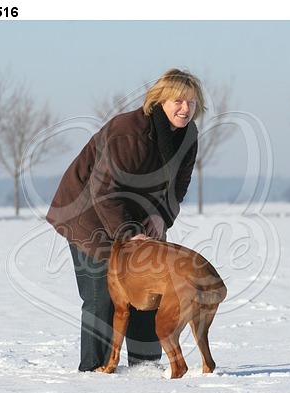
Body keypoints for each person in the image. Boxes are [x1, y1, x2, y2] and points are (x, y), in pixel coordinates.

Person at [46, 68, 205, 372]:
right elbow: (103, 189)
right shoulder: (128, 133)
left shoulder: (188, 137)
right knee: (103, 296)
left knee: (148, 287)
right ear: (159, 101)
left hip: (140, 217)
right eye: (178, 101)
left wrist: (161, 217)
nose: (186, 109)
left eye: (192, 103)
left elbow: (179, 186)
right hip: (87, 213)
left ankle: (143, 368)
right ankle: (95, 369)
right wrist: (130, 232)